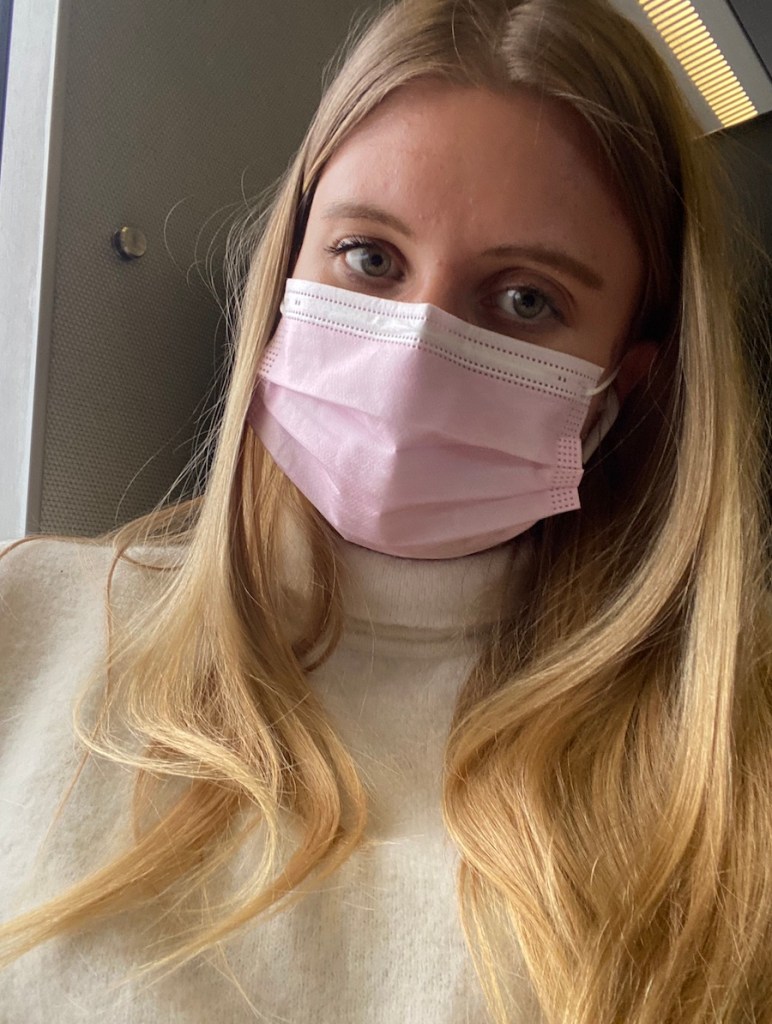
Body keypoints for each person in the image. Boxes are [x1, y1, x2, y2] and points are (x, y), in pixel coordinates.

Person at [1, 0, 770, 1021]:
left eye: (526, 299)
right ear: (288, 266)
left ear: (621, 380)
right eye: (369, 257)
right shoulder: (28, 620)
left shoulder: (732, 764)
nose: (412, 353)